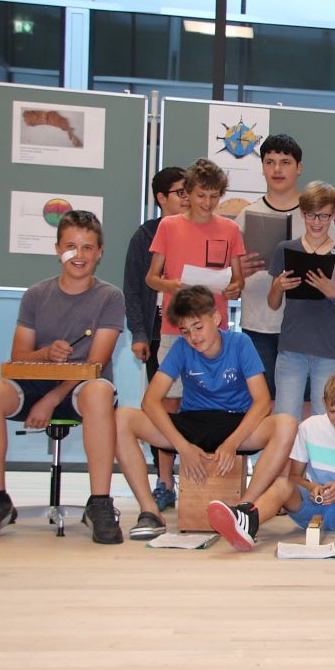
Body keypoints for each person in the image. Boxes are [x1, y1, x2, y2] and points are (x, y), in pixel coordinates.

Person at [0, 210, 125, 545]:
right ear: (57, 250)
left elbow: (96, 362)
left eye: (87, 247)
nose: (78, 255)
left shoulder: (110, 297)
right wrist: (47, 353)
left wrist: (51, 399)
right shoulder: (36, 294)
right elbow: (19, 356)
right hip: (34, 384)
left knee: (98, 392)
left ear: (99, 253)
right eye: (70, 246)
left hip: (81, 389)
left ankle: (99, 503)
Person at [115, 285, 297, 543]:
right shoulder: (181, 348)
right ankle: (150, 511)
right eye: (185, 331)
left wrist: (232, 443)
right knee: (122, 418)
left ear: (216, 318)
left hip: (234, 423)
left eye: (198, 327)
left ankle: (244, 510)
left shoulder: (240, 343)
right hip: (193, 422)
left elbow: (262, 402)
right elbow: (151, 401)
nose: (193, 337)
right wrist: (183, 447)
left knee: (286, 423)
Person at [242, 372, 335, 556]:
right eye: (333, 412)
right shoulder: (309, 427)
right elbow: (293, 477)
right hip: (310, 508)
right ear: (324, 403)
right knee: (282, 483)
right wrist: (312, 487)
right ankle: (247, 522)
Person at [146, 158, 246, 405]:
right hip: (175, 329)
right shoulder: (169, 226)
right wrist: (170, 285)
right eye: (201, 195)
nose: (208, 203)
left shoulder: (230, 229)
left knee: (211, 400)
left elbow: (238, 279)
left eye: (214, 196)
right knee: (170, 398)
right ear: (188, 193)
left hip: (215, 330)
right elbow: (151, 278)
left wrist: (235, 289)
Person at [123, 166, 188, 512]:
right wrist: (138, 334)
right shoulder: (146, 235)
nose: (187, 198)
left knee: (195, 407)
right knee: (164, 406)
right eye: (180, 192)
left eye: (190, 192)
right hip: (156, 331)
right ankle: (164, 481)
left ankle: (196, 479)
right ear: (161, 198)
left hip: (194, 334)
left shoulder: (197, 229)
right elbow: (134, 289)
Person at [266, 181, 335, 420]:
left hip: (326, 349)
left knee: (324, 417)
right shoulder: (285, 249)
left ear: (334, 215)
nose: (317, 222)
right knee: (285, 416)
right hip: (291, 347)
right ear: (302, 213)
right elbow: (273, 303)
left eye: (324, 216)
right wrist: (277, 287)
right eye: (311, 215)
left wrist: (332, 291)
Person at [235, 133, 305, 398]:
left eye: (285, 162)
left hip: (303, 326)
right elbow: (228, 275)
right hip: (257, 324)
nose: (277, 169)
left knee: (302, 403)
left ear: (299, 167)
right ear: (262, 167)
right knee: (261, 402)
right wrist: (238, 270)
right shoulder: (246, 215)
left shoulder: (315, 214)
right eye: (270, 162)